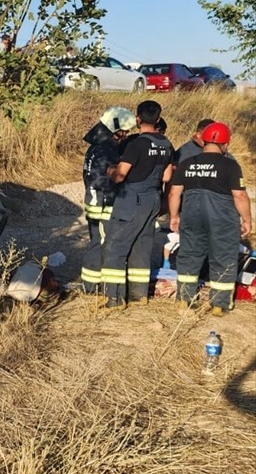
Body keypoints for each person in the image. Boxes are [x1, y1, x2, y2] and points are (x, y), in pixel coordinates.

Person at [168, 122, 251, 315]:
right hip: (222, 219)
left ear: (203, 140)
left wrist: (174, 216)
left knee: (189, 256)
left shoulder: (187, 163)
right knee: (223, 257)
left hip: (191, 217)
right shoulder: (230, 165)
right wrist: (247, 220)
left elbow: (174, 193)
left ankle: (184, 299)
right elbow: (239, 196)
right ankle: (219, 304)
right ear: (225, 144)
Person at [99, 100, 174, 308]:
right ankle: (139, 295)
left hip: (132, 200)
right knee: (141, 248)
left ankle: (114, 298)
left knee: (115, 248)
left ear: (138, 119)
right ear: (158, 119)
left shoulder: (136, 144)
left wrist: (109, 171)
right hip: (153, 199)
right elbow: (168, 175)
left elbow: (120, 175)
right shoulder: (166, 144)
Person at [80, 106, 137, 293]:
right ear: (115, 128)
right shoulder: (106, 150)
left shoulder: (97, 147)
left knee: (97, 240)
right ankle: (91, 287)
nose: (126, 135)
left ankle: (91, 285)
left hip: (94, 200)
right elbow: (115, 176)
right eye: (125, 131)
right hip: (102, 203)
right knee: (101, 243)